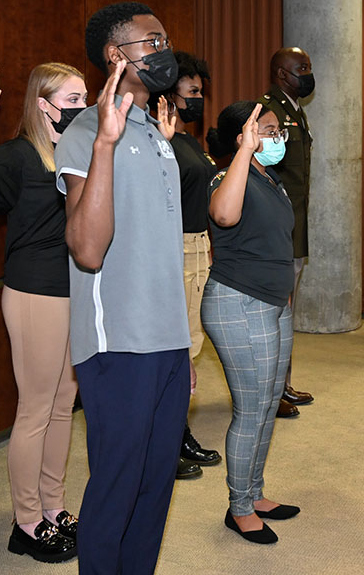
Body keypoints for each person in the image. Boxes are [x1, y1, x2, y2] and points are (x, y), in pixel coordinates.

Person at [54, 2, 194, 574]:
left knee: (157, 483)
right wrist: (106, 145)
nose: (164, 52)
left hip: (166, 338)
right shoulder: (89, 130)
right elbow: (86, 249)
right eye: (151, 42)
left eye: (165, 40)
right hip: (118, 344)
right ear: (116, 56)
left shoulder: (157, 130)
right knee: (118, 480)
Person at [0, 61, 84, 563]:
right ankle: (26, 522)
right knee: (34, 410)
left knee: (63, 403)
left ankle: (54, 508)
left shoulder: (73, 153)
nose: (82, 107)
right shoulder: (17, 155)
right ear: (43, 103)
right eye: (71, 99)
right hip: (35, 295)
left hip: (75, 292)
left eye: (84, 98)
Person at [203, 100, 300, 544]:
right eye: (265, 129)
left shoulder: (270, 179)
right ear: (241, 135)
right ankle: (239, 507)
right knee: (250, 409)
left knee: (266, 405)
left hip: (272, 303)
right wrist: (243, 151)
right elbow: (224, 215)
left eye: (278, 129)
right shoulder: (228, 176)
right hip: (239, 303)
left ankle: (255, 494)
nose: (276, 136)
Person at [150, 51, 222, 480]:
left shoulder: (188, 140)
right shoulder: (159, 140)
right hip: (171, 250)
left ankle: (178, 430)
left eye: (201, 92)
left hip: (197, 247)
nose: (198, 99)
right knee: (173, 351)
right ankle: (166, 440)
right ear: (169, 91)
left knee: (189, 347)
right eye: (192, 91)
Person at [258, 48, 315, 418]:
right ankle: (270, 390)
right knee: (274, 312)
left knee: (286, 311)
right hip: (278, 225)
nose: (308, 75)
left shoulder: (294, 109)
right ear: (281, 74)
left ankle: (283, 383)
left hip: (294, 222)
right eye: (301, 69)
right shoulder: (269, 111)